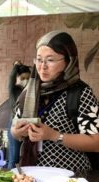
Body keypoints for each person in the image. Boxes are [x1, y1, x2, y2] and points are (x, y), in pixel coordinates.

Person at [11, 30, 99, 172]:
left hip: (70, 178)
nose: (42, 66)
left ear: (68, 61)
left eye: (50, 60)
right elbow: (14, 131)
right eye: (39, 59)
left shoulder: (80, 93)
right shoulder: (29, 91)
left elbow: (96, 142)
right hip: (32, 176)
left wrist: (55, 136)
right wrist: (18, 131)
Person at [6, 61, 31, 169]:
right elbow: (11, 78)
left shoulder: (30, 91)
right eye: (23, 78)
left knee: (25, 156)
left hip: (27, 125)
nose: (25, 81)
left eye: (28, 78)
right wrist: (16, 66)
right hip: (14, 125)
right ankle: (10, 179)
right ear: (18, 78)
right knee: (14, 157)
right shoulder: (14, 90)